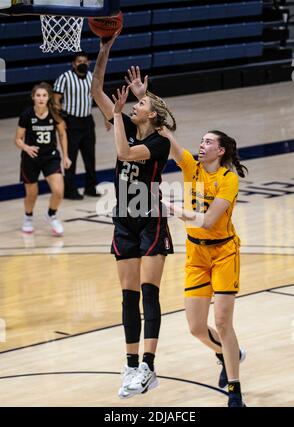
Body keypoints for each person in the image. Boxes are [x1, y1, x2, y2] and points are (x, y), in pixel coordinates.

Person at [91, 36, 176, 399]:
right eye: (134, 104)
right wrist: (104, 49)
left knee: (148, 293)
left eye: (140, 104)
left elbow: (124, 152)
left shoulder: (159, 142)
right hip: (124, 218)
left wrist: (118, 114)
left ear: (151, 114)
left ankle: (148, 368)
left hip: (151, 218)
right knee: (128, 297)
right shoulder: (128, 120)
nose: (133, 105)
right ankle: (128, 366)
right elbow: (96, 89)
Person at [159, 127, 248, 407]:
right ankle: (226, 353)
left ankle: (235, 391)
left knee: (222, 322)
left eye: (208, 142)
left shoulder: (228, 179)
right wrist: (145, 101)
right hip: (196, 253)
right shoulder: (191, 167)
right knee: (197, 328)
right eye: (201, 140)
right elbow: (169, 140)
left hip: (223, 252)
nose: (202, 145)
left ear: (220, 151)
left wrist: (168, 207)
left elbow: (208, 221)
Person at [15, 82, 71, 236]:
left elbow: (62, 134)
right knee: (32, 194)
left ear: (49, 97)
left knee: (59, 191)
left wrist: (65, 155)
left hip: (50, 157)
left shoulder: (54, 112)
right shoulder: (27, 114)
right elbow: (18, 139)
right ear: (33, 97)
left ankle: (51, 214)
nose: (41, 98)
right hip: (31, 158)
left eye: (44, 95)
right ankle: (28, 217)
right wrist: (26, 147)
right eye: (38, 95)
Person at [53, 51, 110, 200]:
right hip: (71, 122)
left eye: (85, 61)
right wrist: (60, 120)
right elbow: (55, 100)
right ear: (73, 64)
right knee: (70, 158)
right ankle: (69, 190)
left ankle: (90, 187)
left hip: (87, 121)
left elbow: (99, 98)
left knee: (90, 157)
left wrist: (106, 117)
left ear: (88, 63)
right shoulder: (64, 78)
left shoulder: (92, 78)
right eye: (79, 61)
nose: (82, 63)